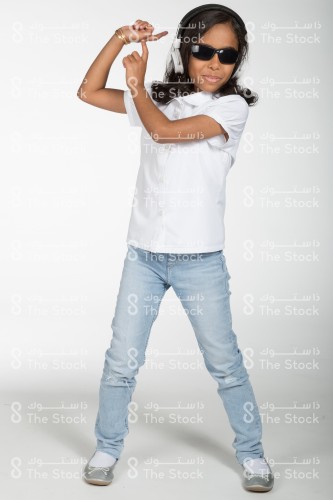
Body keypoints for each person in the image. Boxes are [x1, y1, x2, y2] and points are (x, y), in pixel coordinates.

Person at [77, 5, 274, 493]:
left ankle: (251, 454)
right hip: (143, 256)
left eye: (226, 54)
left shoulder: (231, 109)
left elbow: (163, 133)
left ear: (237, 60)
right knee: (122, 359)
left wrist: (139, 87)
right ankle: (107, 446)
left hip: (200, 260)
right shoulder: (162, 99)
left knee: (224, 362)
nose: (213, 63)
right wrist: (119, 39)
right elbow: (88, 91)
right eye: (203, 50)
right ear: (185, 50)